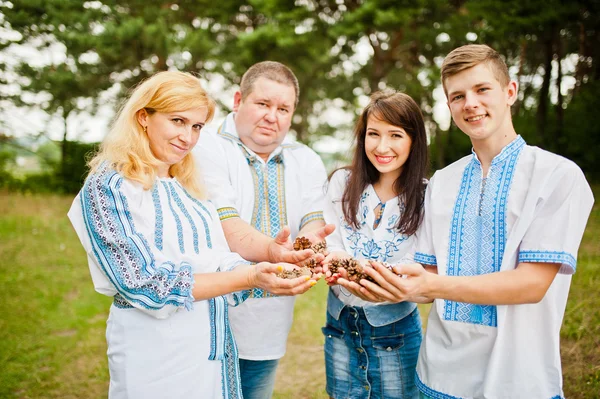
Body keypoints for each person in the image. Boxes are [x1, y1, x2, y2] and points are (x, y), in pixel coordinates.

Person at [338, 44, 595, 399]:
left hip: (520, 378)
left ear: (510, 92)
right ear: (450, 107)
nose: (470, 103)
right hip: (439, 377)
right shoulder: (442, 181)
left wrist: (430, 287)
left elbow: (531, 285)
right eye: (457, 96)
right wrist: (371, 279)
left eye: (481, 89)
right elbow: (424, 275)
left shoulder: (557, 176)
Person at [67, 71, 318, 399]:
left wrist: (265, 268)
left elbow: (216, 258)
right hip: (154, 357)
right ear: (144, 117)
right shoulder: (109, 186)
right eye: (177, 121)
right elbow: (148, 284)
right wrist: (250, 277)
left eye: (197, 126)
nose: (187, 137)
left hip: (210, 354)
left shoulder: (189, 185)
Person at [194, 61, 332, 399]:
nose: (273, 116)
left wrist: (309, 243)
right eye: (263, 104)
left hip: (268, 324)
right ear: (238, 100)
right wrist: (276, 251)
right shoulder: (206, 147)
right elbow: (227, 225)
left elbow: (313, 221)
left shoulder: (306, 159)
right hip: (206, 317)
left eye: (283, 108)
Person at [321, 90, 428, 399]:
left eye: (395, 135)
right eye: (373, 134)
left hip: (394, 329)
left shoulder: (426, 196)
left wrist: (369, 278)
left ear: (414, 140)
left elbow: (418, 261)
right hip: (340, 322)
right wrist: (345, 266)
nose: (382, 146)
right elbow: (332, 242)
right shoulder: (343, 182)